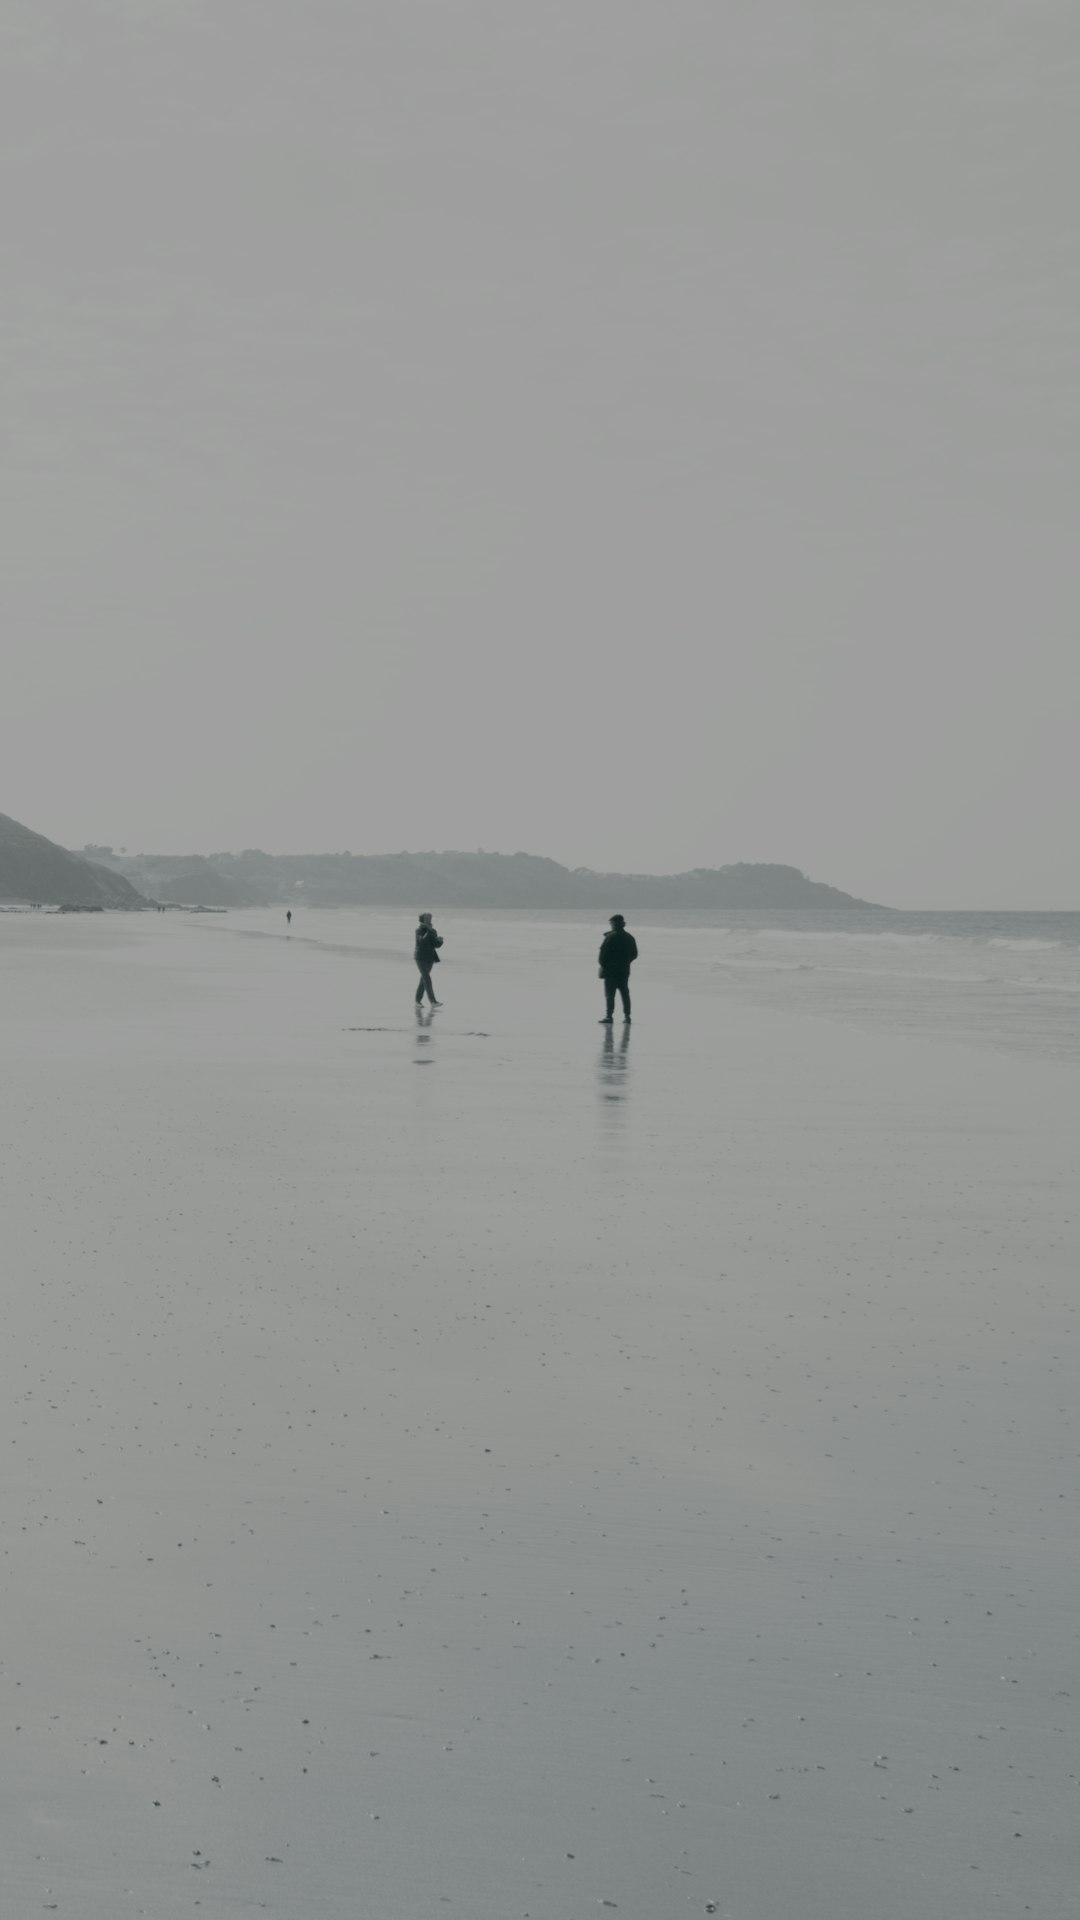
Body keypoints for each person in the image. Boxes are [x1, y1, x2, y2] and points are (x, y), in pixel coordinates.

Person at [598, 913, 637, 1023]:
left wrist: (604, 966)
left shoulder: (610, 937)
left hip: (610, 971)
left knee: (610, 995)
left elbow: (602, 956)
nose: (611, 925)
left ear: (614, 924)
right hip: (624, 970)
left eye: (612, 923)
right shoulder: (630, 937)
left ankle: (609, 1016)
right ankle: (627, 1016)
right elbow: (634, 954)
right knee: (625, 993)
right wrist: (625, 962)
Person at [414, 911, 444, 1006]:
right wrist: (429, 931)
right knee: (427, 979)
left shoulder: (433, 931)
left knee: (424, 979)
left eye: (429, 918)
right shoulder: (418, 930)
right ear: (422, 919)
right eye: (426, 918)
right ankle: (433, 1001)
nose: (428, 920)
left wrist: (440, 941)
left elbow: (435, 945)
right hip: (420, 958)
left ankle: (417, 1001)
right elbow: (421, 942)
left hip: (430, 958)